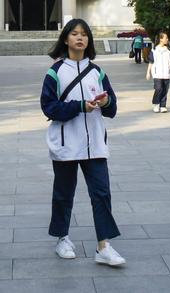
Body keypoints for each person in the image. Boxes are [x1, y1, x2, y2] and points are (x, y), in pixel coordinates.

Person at [41, 18, 125, 267]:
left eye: (84, 34)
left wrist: (105, 102)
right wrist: (79, 106)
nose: (80, 38)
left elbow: (113, 108)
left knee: (101, 194)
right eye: (74, 34)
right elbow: (48, 107)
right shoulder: (55, 72)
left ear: (89, 40)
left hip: (95, 144)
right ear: (65, 39)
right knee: (63, 194)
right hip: (66, 144)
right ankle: (62, 238)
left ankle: (104, 246)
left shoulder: (97, 72)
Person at [146, 31, 170, 113]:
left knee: (165, 90)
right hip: (157, 73)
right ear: (161, 39)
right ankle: (156, 104)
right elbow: (151, 62)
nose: (167, 39)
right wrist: (148, 72)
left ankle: (163, 106)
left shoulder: (168, 50)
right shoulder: (154, 50)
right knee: (158, 89)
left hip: (166, 73)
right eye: (166, 38)